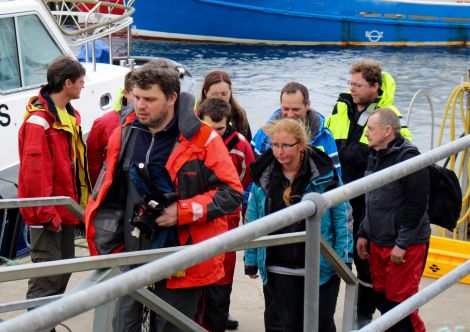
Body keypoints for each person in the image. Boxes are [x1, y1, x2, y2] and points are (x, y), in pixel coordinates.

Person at [84, 63, 244, 332]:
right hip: (130, 255)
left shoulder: (204, 140)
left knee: (172, 327)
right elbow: (108, 194)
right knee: (123, 325)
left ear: (172, 98)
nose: (140, 105)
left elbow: (232, 193)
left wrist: (181, 212)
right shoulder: (123, 135)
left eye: (149, 99)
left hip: (180, 261)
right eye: (137, 97)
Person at [325, 59, 412, 327]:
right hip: (338, 201)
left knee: (368, 268)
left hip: (369, 205)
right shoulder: (339, 110)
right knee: (335, 263)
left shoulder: (389, 116)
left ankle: (364, 319)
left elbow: (404, 159)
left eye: (358, 85)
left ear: (375, 87)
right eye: (350, 83)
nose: (352, 89)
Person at [244, 118, 350, 332]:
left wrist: (342, 258)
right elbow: (253, 219)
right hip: (277, 267)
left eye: (285, 145)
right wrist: (251, 258)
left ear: (301, 145)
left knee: (320, 325)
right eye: (274, 145)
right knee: (281, 326)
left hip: (319, 268)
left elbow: (342, 215)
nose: (279, 151)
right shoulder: (263, 175)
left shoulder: (325, 173)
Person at [18, 56, 91, 310]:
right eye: (80, 80)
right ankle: (36, 326)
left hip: (65, 210)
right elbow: (34, 174)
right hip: (49, 215)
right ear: (67, 83)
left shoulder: (67, 116)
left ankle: (45, 323)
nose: (83, 84)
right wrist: (47, 214)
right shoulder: (39, 122)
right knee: (47, 277)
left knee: (63, 270)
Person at [356, 108, 430, 332]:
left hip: (404, 245)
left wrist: (403, 244)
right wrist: (363, 233)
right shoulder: (375, 154)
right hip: (378, 241)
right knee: (384, 301)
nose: (366, 134)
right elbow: (370, 198)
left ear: (387, 131)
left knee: (401, 306)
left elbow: (417, 204)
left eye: (370, 129)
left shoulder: (409, 158)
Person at [196, 97, 255, 332]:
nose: (215, 135)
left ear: (228, 122)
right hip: (198, 219)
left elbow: (247, 177)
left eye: (220, 129)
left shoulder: (241, 146)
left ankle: (215, 325)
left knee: (222, 278)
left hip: (227, 221)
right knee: (196, 277)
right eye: (210, 129)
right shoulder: (190, 141)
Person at [251, 81, 341, 177]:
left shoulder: (324, 137)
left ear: (307, 105)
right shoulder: (264, 134)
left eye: (295, 109)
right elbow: (251, 172)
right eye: (285, 109)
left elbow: (336, 176)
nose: (290, 115)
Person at [87, 70, 134, 186]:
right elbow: (93, 160)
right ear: (126, 93)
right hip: (115, 186)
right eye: (137, 96)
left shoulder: (158, 121)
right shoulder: (104, 123)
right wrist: (98, 189)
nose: (141, 102)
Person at [198, 70, 252, 142]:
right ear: (205, 93)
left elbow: (248, 143)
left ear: (230, 92)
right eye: (215, 94)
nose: (220, 98)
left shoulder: (239, 115)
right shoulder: (195, 115)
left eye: (224, 94)